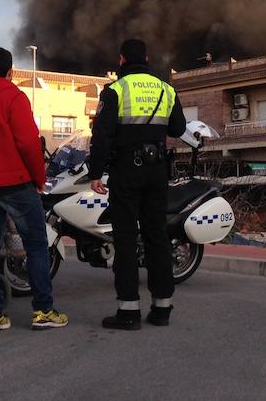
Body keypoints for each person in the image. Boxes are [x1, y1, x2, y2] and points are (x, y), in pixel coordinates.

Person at [0, 47, 68, 334]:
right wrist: (39, 177)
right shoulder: (13, 96)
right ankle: (43, 310)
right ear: (11, 72)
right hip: (16, 183)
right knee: (36, 244)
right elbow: (29, 142)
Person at [89, 39, 186, 330]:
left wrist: (95, 173)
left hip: (127, 172)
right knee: (158, 238)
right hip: (157, 172)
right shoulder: (166, 89)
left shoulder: (116, 90)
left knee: (126, 239)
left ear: (121, 60)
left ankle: (128, 312)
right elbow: (179, 128)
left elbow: (102, 135)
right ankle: (162, 309)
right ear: (146, 57)